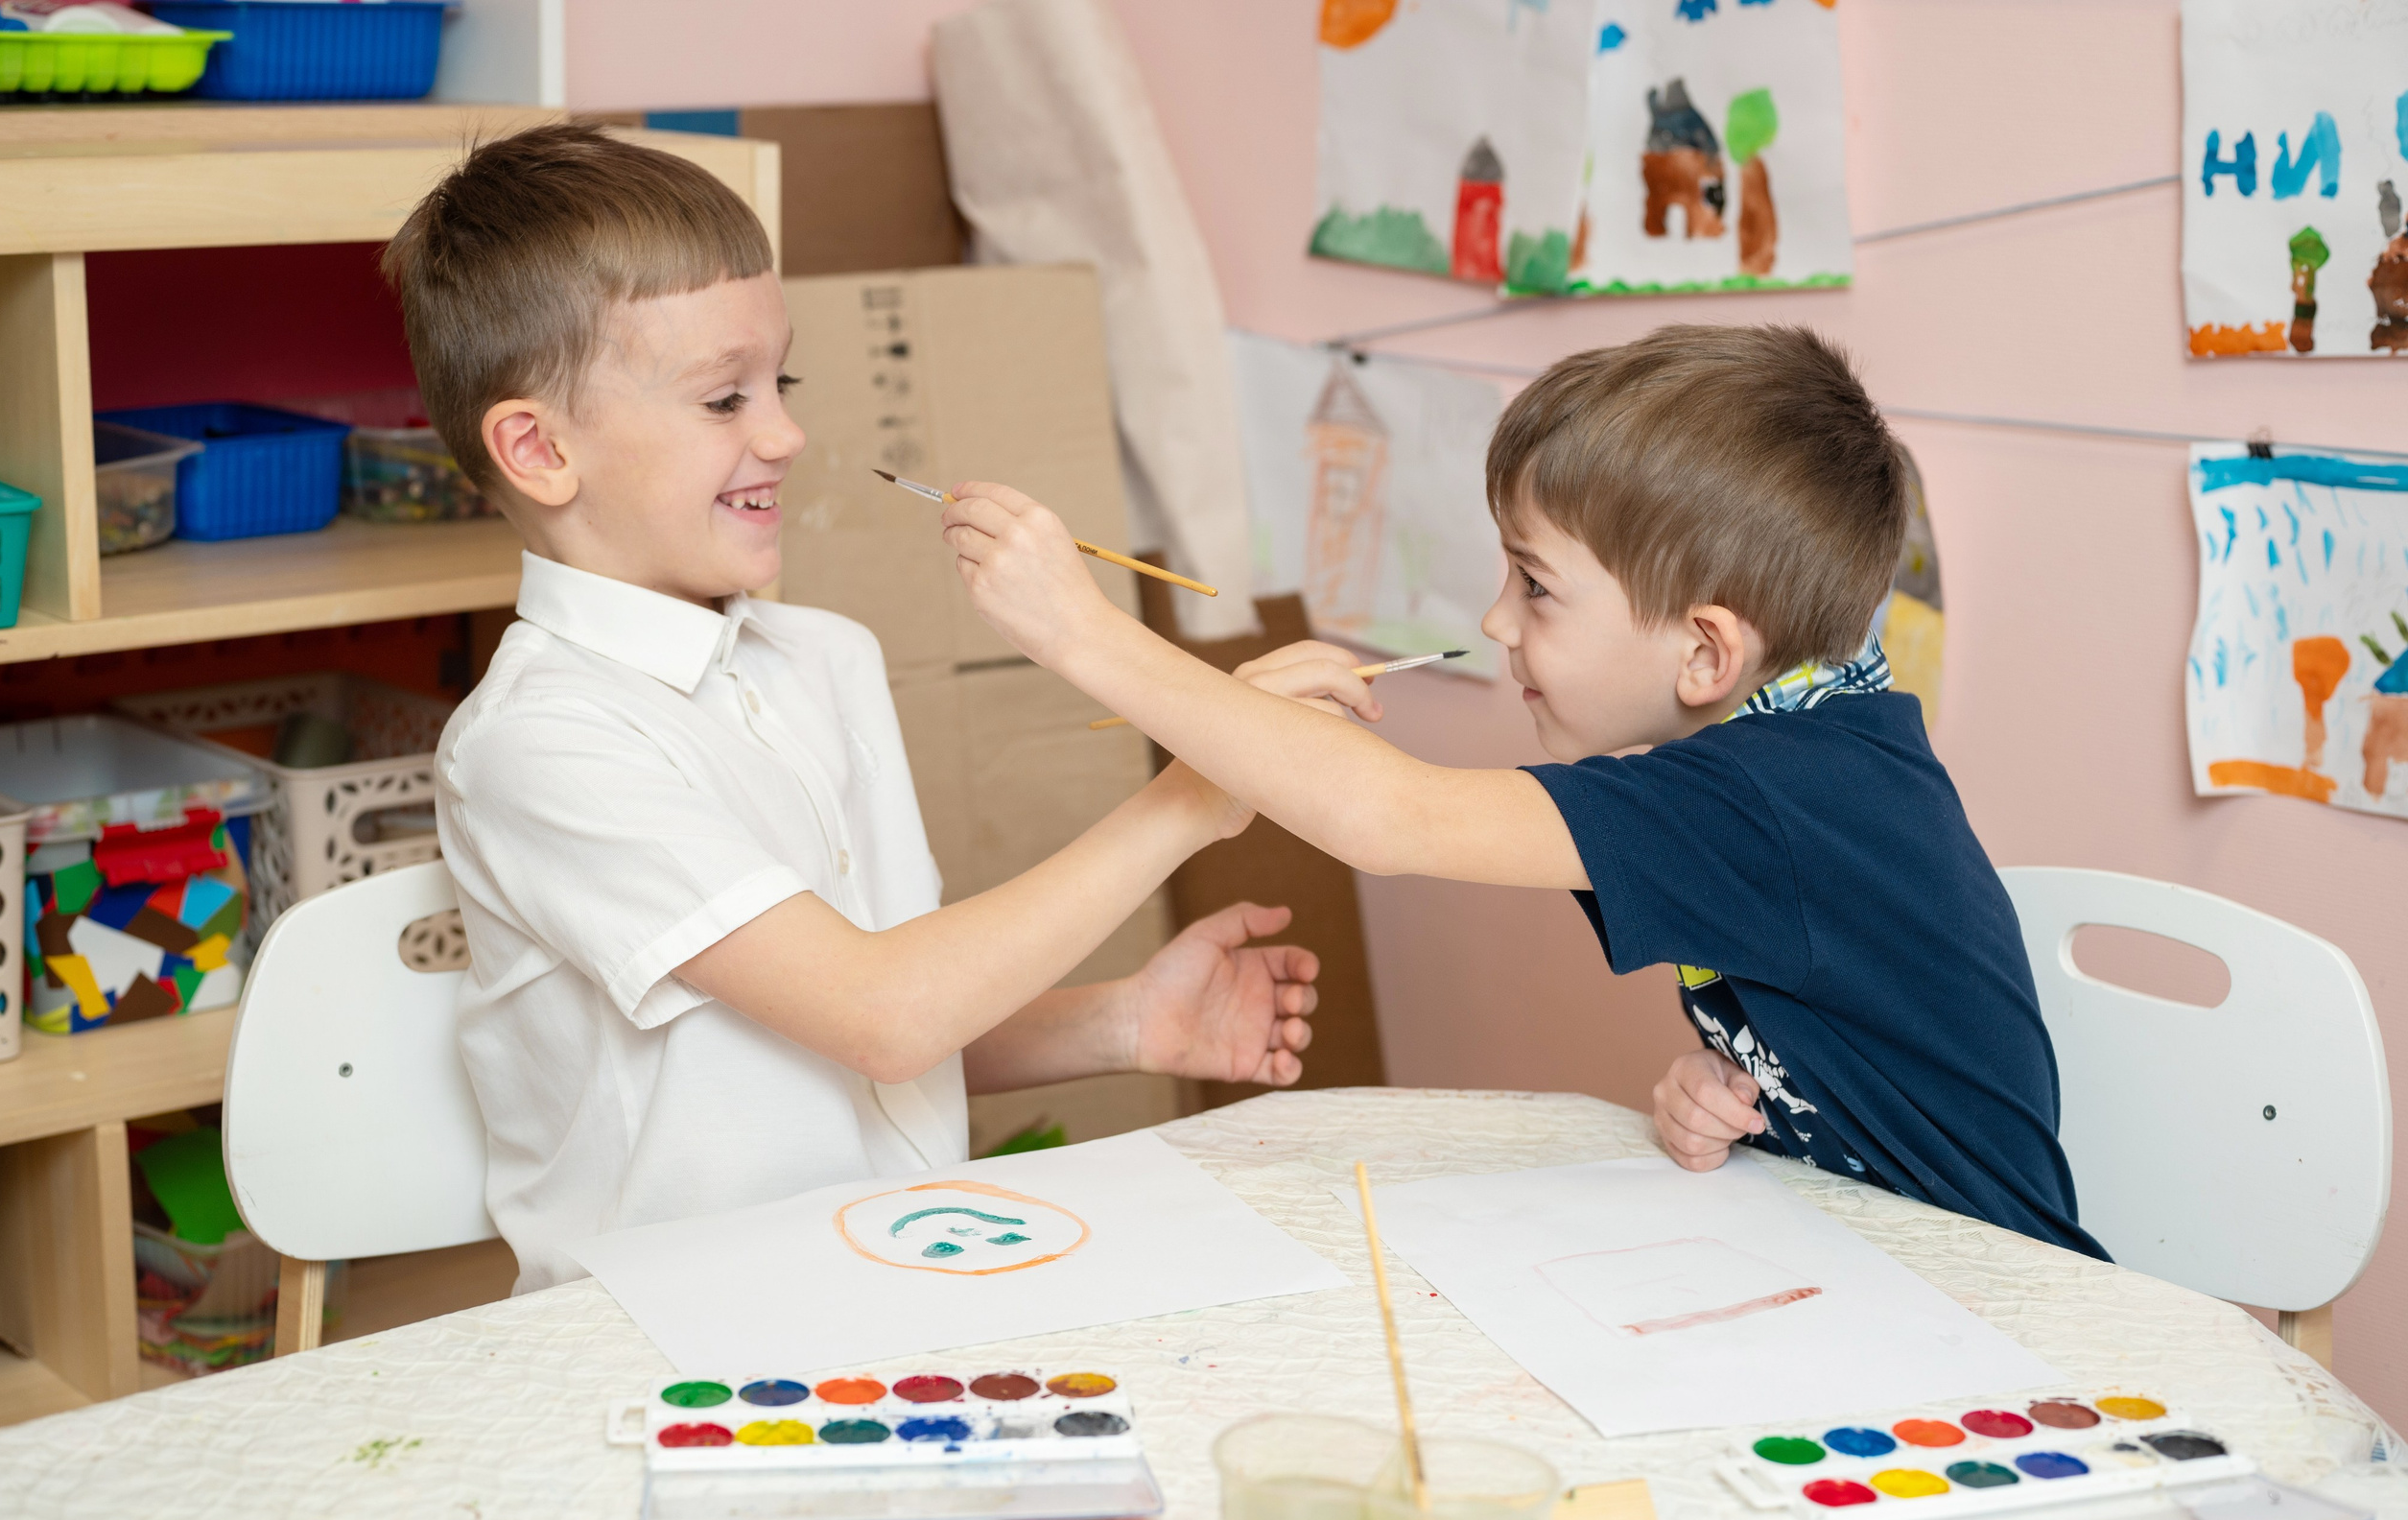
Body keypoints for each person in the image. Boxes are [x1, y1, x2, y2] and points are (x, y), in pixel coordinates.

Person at [938, 324, 2107, 1259]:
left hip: (2001, 1307)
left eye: (1536, 586)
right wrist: (1749, 1090)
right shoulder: (1811, 755)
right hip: (1872, 1266)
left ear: (1705, 651)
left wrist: (1084, 634)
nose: (1496, 621)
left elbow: (1392, 817)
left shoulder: (1773, 797)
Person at [394, 124, 1320, 1292]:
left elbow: (854, 1031)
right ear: (537, 448)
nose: (784, 434)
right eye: (722, 399)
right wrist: (1190, 795)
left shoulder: (825, 660)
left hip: (892, 1277)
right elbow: (882, 1013)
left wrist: (1126, 1021)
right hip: (673, 1325)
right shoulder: (541, 744)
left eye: (777, 384)